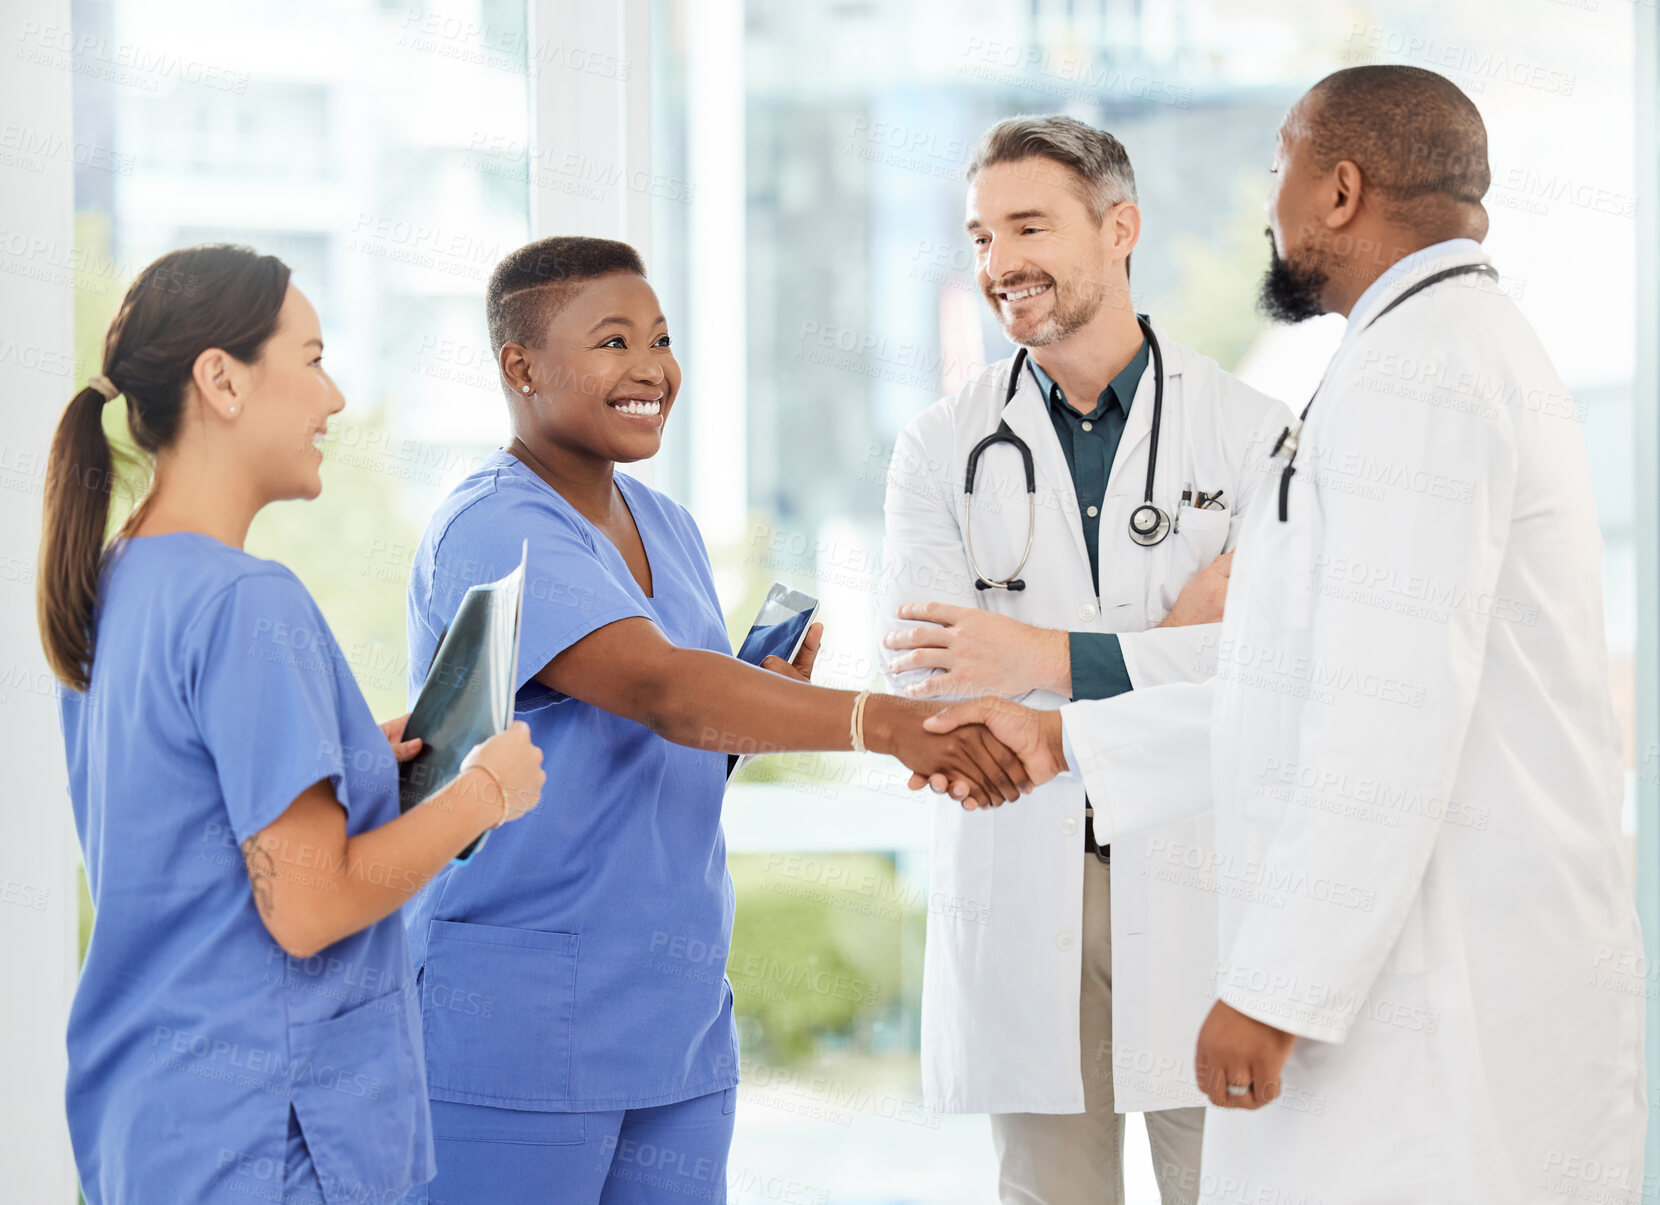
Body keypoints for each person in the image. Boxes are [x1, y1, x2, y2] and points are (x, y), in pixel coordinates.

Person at [923, 67, 1647, 1202]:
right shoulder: (1414, 353)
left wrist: (1274, 989)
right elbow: (1294, 676)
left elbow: (1380, 711)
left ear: (1340, 190)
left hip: (1441, 975)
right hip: (1418, 957)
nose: (1270, 202)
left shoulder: (1419, 371)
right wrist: (1068, 739)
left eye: (1280, 168)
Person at [398, 236, 1030, 1204]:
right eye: (612, 341)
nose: (651, 367)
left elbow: (664, 742)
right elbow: (662, 689)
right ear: (518, 367)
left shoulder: (668, 527)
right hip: (519, 1022)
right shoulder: (493, 522)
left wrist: (749, 706)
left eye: (658, 338)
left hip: (673, 1020)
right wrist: (889, 722)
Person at [39, 244, 547, 1205]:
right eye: (312, 359)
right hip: (268, 1142)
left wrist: (365, 754)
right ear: (222, 380)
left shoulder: (114, 582)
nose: (336, 399)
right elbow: (308, 909)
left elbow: (198, 814)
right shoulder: (246, 604)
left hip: (155, 1130)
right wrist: (486, 793)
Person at [878, 115, 1287, 1205]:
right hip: (1027, 870)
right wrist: (1169, 645)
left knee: (1234, 1184)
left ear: (1121, 229)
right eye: (978, 236)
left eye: (1027, 225)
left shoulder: (1250, 433)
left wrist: (1038, 651)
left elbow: (1277, 672)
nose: (998, 262)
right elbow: (941, 692)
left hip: (1201, 870)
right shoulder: (938, 444)